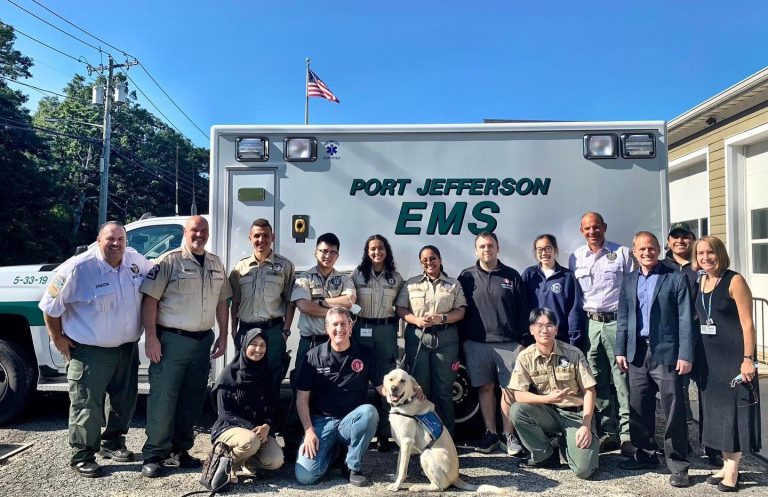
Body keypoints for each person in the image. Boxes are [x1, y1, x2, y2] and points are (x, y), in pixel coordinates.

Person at [39, 222, 154, 478]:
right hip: (90, 352)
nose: (116, 244)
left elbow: (158, 277)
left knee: (123, 401)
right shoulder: (78, 268)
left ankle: (112, 442)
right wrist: (57, 338)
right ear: (98, 240)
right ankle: (82, 455)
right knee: (86, 405)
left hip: (127, 349)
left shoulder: (134, 260)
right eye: (110, 239)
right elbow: (49, 306)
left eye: (121, 239)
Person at [139, 215, 233, 478]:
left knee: (192, 399)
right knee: (163, 398)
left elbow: (222, 302)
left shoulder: (215, 262)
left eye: (204, 230)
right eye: (194, 230)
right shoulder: (169, 261)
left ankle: (180, 450)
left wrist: (224, 335)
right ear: (185, 232)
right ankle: (154, 453)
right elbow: (150, 300)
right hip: (171, 340)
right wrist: (151, 337)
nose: (199, 235)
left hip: (202, 341)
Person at [615, 231, 694, 488]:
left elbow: (685, 320)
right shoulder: (628, 280)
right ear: (634, 252)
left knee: (673, 409)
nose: (647, 252)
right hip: (637, 352)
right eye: (642, 249)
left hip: (667, 353)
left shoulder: (675, 278)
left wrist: (685, 354)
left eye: (651, 248)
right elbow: (624, 318)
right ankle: (646, 454)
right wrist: (620, 350)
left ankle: (678, 463)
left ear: (659, 249)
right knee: (639, 406)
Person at [692, 236, 758, 492]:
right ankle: (724, 463)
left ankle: (733, 469)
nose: (706, 257)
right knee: (715, 411)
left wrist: (748, 359)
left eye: (710, 252)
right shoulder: (703, 281)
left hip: (733, 358)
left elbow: (747, 323)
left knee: (732, 412)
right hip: (709, 359)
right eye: (700, 253)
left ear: (720, 253)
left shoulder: (735, 280)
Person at [568, 211, 634, 455]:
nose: (592, 232)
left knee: (622, 380)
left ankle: (628, 435)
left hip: (617, 322)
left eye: (596, 227)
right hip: (591, 324)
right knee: (597, 380)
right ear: (581, 230)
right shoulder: (576, 257)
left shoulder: (622, 254)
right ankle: (609, 432)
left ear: (604, 227)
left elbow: (632, 290)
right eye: (587, 228)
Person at [294, 307, 381, 486]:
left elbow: (383, 388)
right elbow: (301, 398)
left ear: (351, 327)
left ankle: (351, 466)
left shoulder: (365, 353)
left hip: (351, 423)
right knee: (306, 476)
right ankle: (333, 453)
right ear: (327, 328)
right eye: (335, 324)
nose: (339, 329)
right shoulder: (313, 356)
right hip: (322, 422)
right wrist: (309, 431)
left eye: (343, 324)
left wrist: (411, 391)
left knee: (369, 412)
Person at [457, 231, 527, 455]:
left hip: (508, 343)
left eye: (490, 246)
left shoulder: (512, 275)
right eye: (482, 247)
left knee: (509, 390)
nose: (487, 250)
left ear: (498, 248)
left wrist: (523, 340)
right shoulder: (466, 277)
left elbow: (522, 311)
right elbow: (461, 310)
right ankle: (491, 434)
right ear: (476, 250)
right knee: (485, 388)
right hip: (476, 343)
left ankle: (509, 436)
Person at [508, 308, 599, 479]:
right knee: (517, 410)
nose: (544, 330)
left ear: (556, 329)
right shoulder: (525, 357)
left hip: (576, 416)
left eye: (550, 325)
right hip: (549, 412)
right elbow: (519, 395)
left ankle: (566, 441)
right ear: (531, 329)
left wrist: (586, 425)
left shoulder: (573, 353)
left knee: (584, 470)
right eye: (539, 325)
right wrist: (546, 398)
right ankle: (545, 456)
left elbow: (590, 391)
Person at [661, 222, 722, 465]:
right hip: (675, 340)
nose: (680, 241)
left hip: (704, 339)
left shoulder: (702, 266)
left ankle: (713, 445)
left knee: (708, 393)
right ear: (668, 241)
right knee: (678, 393)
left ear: (692, 240)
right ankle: (682, 441)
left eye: (685, 237)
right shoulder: (661, 267)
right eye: (675, 237)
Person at [396, 245, 466, 435]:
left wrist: (442, 318)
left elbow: (461, 311)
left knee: (444, 389)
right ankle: (421, 434)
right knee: (419, 387)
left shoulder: (453, 284)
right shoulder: (411, 284)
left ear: (440, 259)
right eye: (425, 260)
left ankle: (445, 435)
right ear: (421, 263)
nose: (429, 262)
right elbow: (401, 309)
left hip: (446, 338)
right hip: (418, 337)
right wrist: (416, 320)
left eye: (433, 258)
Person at [229, 218, 295, 395]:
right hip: (246, 330)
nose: (261, 240)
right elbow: (235, 302)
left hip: (272, 331)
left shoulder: (285, 266)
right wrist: (233, 331)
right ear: (250, 238)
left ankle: (270, 420)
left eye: (265, 235)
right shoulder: (240, 268)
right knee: (245, 375)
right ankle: (246, 419)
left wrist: (285, 331)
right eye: (257, 236)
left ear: (272, 237)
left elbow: (290, 301)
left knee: (273, 376)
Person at [350, 234, 404, 452]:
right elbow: (349, 301)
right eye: (372, 249)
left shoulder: (396, 278)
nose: (376, 252)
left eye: (380, 248)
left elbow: (401, 307)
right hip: (362, 329)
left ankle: (384, 433)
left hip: (386, 330)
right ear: (367, 251)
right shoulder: (357, 275)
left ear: (386, 251)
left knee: (387, 383)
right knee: (359, 380)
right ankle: (359, 433)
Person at [210, 328, 284, 482]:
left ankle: (246, 460)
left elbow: (273, 407)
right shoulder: (229, 374)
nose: (258, 349)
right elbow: (225, 413)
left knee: (275, 460)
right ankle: (225, 464)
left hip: (258, 431)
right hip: (230, 427)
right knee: (250, 441)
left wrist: (267, 426)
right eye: (254, 344)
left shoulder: (266, 373)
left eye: (263, 345)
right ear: (244, 346)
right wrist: (252, 427)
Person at [290, 232, 357, 380]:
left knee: (333, 385)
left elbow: (349, 301)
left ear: (337, 256)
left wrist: (319, 301)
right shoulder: (304, 278)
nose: (328, 256)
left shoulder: (344, 279)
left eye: (333, 252)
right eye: (324, 251)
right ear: (315, 252)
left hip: (334, 343)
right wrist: (337, 312)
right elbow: (304, 306)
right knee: (302, 383)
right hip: (310, 342)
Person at [522, 234, 585, 347]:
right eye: (539, 250)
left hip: (561, 338)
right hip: (534, 339)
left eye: (548, 248)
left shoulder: (568, 277)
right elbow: (521, 306)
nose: (544, 253)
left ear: (555, 250)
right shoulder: (529, 274)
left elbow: (574, 310)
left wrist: (574, 338)